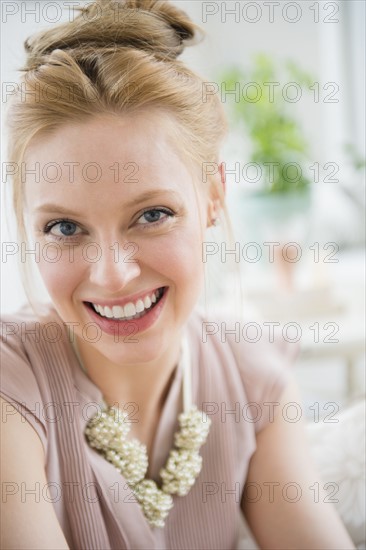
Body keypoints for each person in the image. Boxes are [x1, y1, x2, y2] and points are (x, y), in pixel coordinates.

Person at [0, 1, 355, 549]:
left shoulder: (253, 379)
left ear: (213, 195)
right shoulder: (12, 388)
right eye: (65, 228)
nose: (113, 275)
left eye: (152, 215)